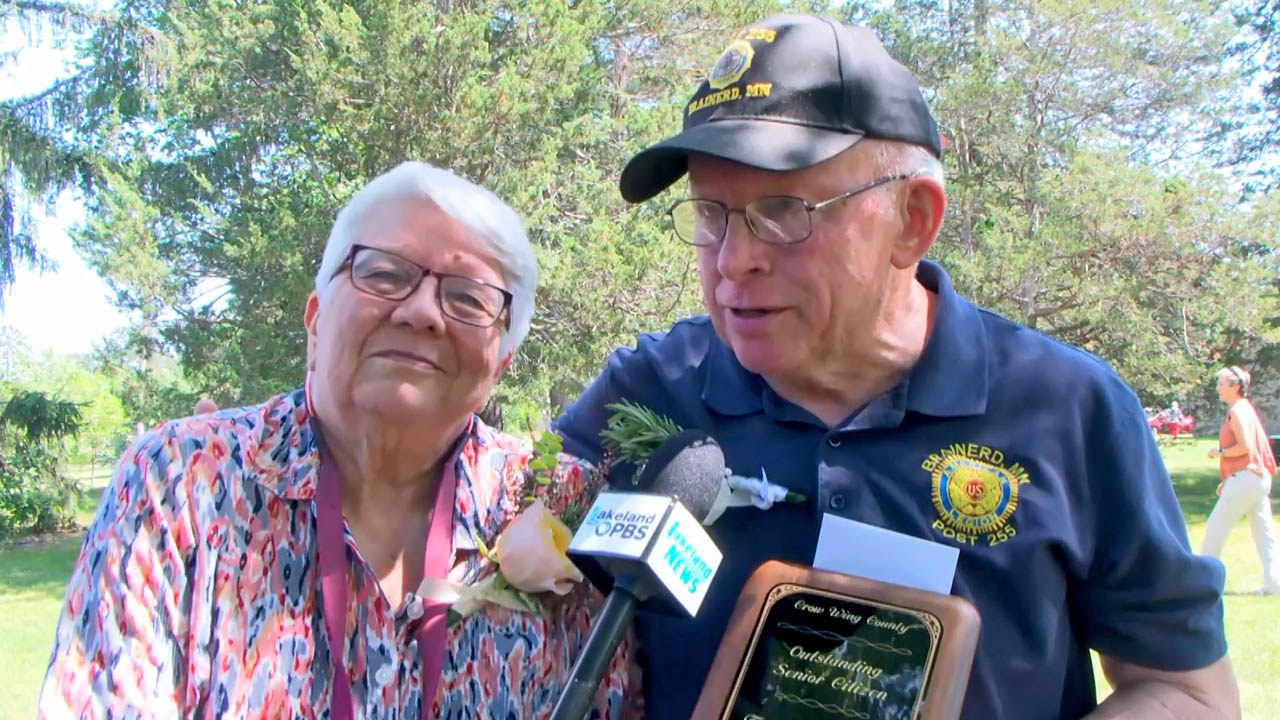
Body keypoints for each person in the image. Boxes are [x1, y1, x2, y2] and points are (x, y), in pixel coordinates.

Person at [556, 13, 1238, 719]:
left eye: (783, 211)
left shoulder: (1067, 407)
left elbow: (1188, 691)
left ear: (912, 219)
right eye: (710, 214)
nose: (733, 260)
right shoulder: (648, 388)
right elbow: (496, 561)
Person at [40, 162, 640, 719]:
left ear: (501, 364)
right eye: (384, 272)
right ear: (315, 318)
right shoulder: (181, 485)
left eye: (467, 297)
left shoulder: (564, 508)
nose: (423, 312)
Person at [1204, 365, 1279, 596]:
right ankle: (1274, 583)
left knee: (1215, 529)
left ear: (1235, 386)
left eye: (1221, 383)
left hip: (1246, 477)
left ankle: (1201, 582)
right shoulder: (1246, 408)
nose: (1217, 388)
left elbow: (1244, 447)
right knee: (1264, 532)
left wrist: (1220, 452)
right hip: (1258, 478)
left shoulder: (1236, 410)